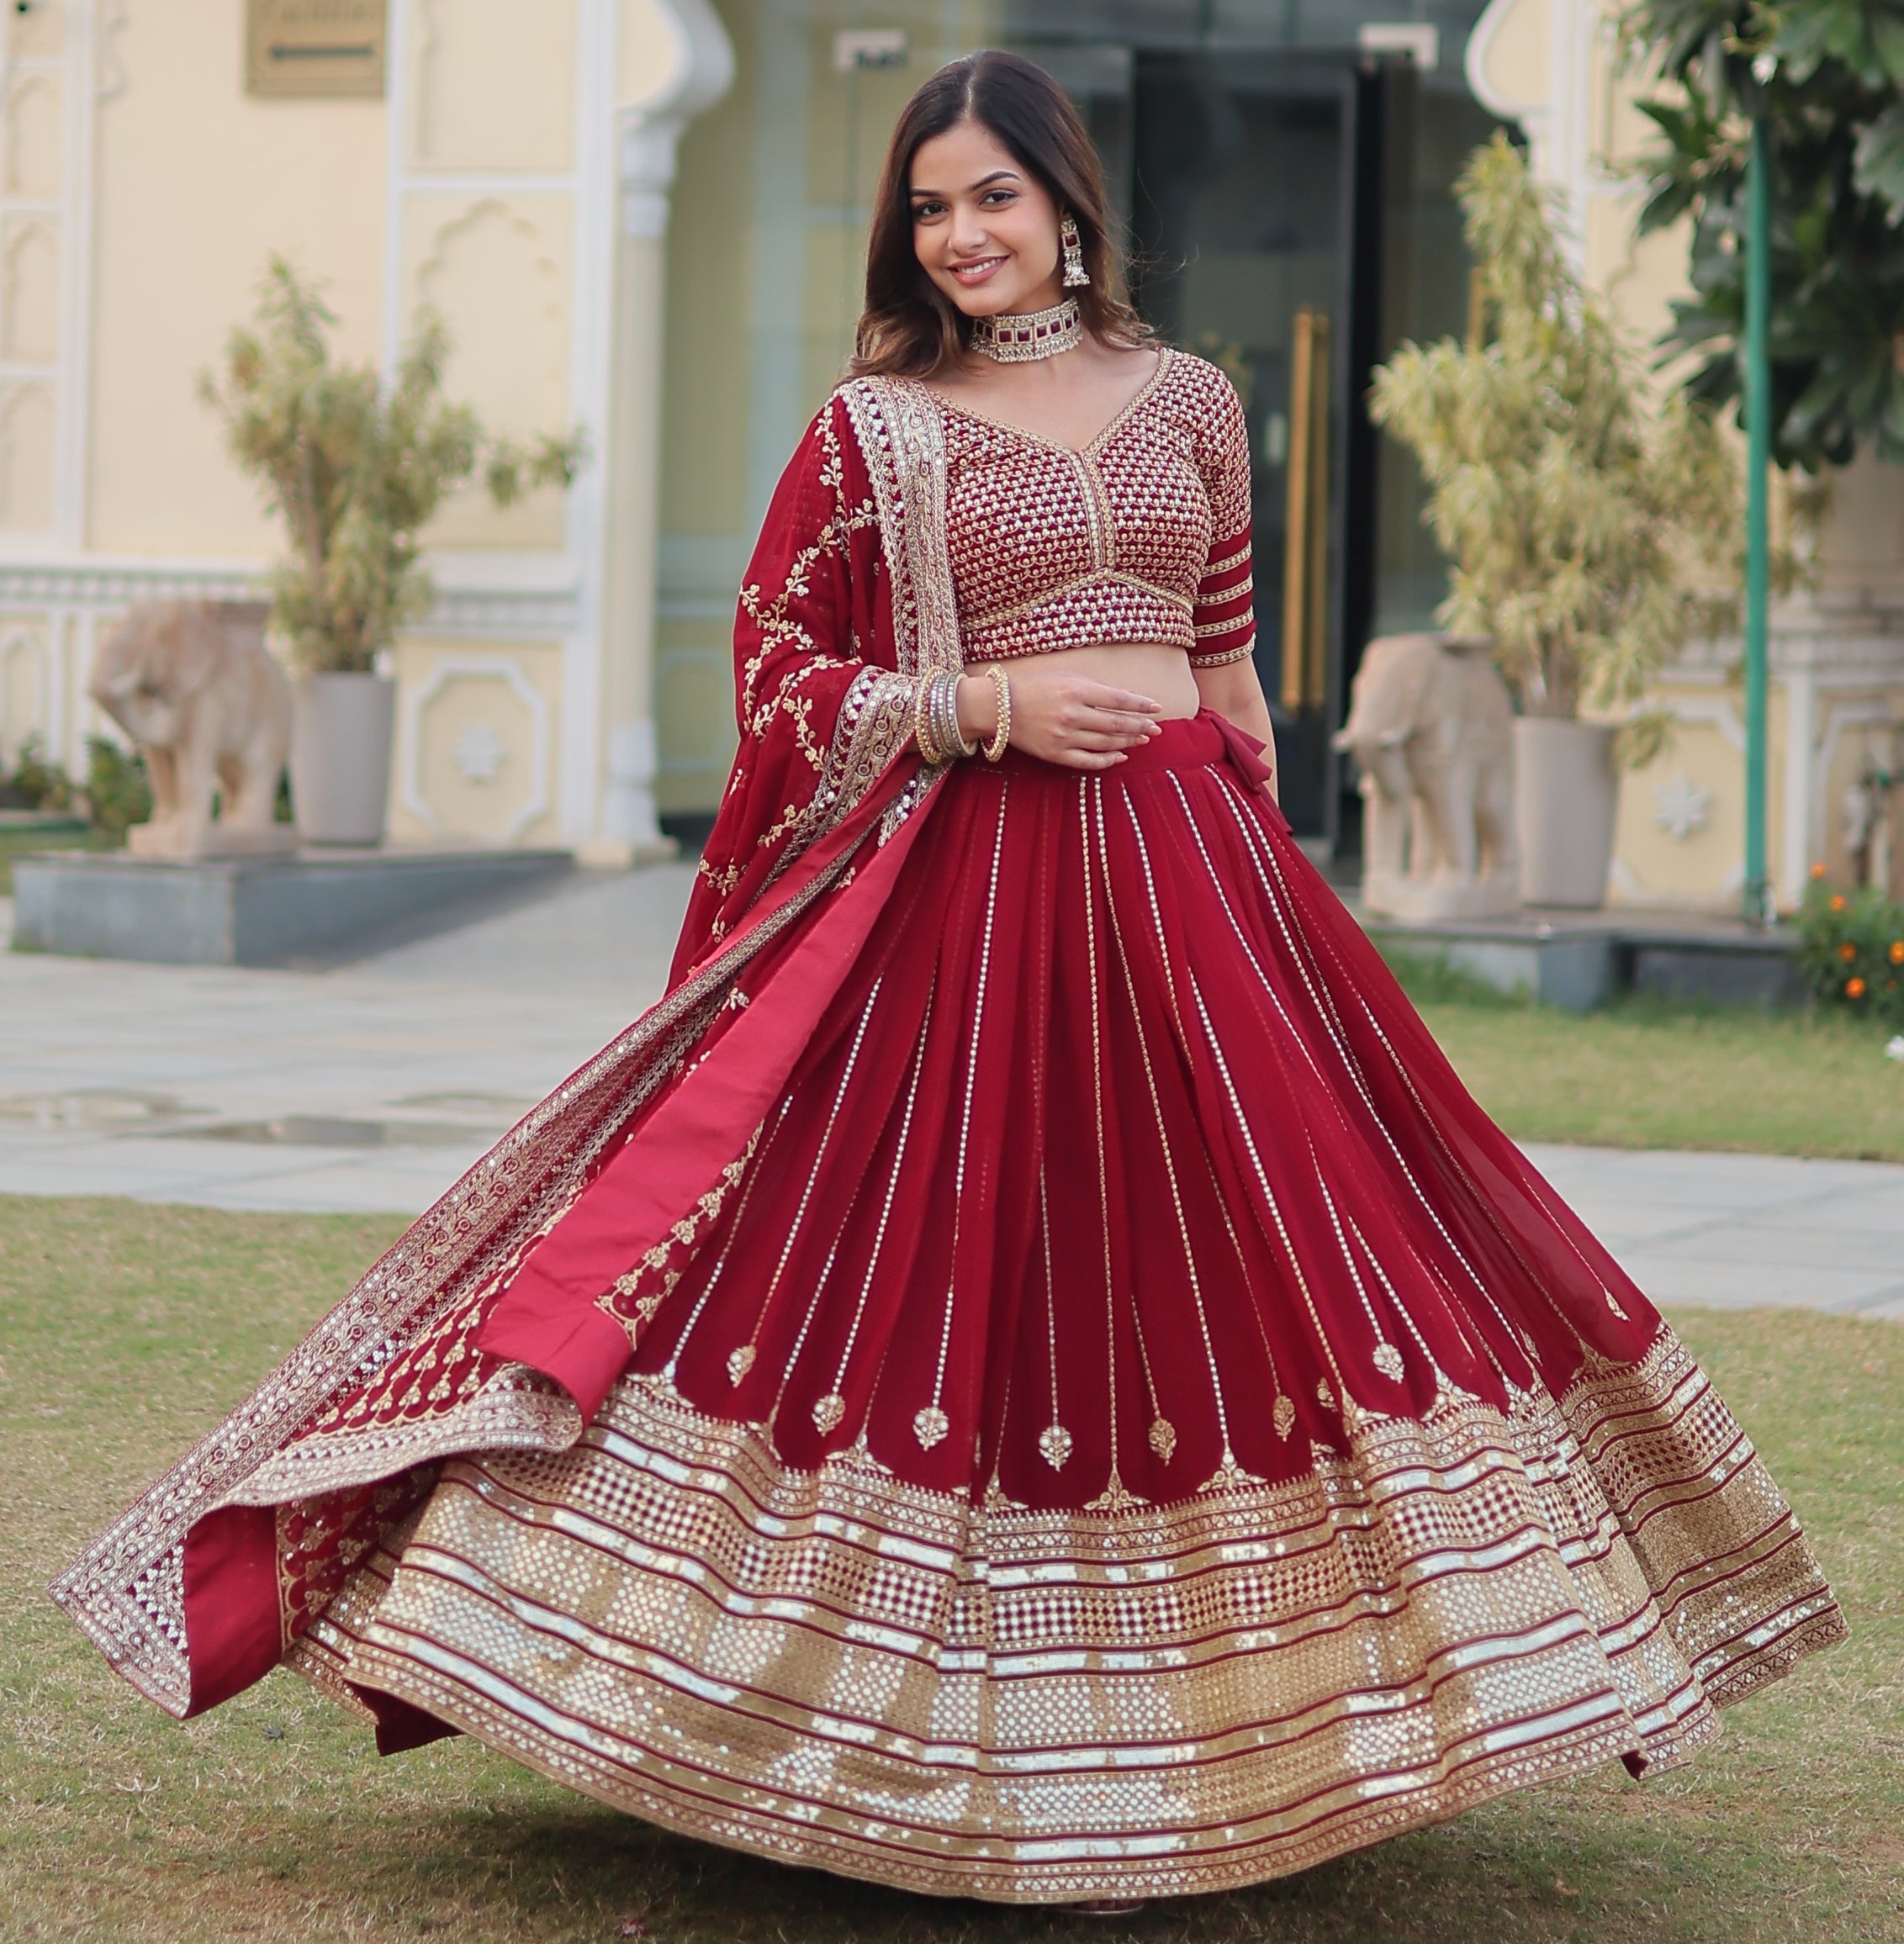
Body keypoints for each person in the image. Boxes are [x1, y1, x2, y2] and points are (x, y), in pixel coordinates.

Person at [56, 50, 1842, 1911]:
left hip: (1202, 895)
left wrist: (1279, 905)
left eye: (994, 195)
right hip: (974, 908)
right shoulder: (877, 431)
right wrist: (981, 704)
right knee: (948, 1277)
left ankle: (1260, 1732)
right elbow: (777, 671)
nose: (961, 234)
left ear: (1069, 203)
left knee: (1245, 1273)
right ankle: (814, 1718)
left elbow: (1227, 670)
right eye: (929, 207)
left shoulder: (1194, 401)